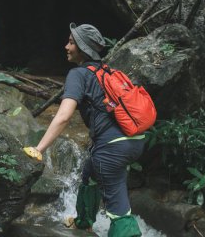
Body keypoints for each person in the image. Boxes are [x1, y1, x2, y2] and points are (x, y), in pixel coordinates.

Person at [24, 23, 145, 236]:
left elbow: (63, 116)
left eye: (71, 42)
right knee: (89, 173)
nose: (66, 46)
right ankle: (83, 222)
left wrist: (40, 148)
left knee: (119, 210)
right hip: (134, 140)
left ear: (82, 48)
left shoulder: (78, 74)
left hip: (112, 148)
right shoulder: (108, 72)